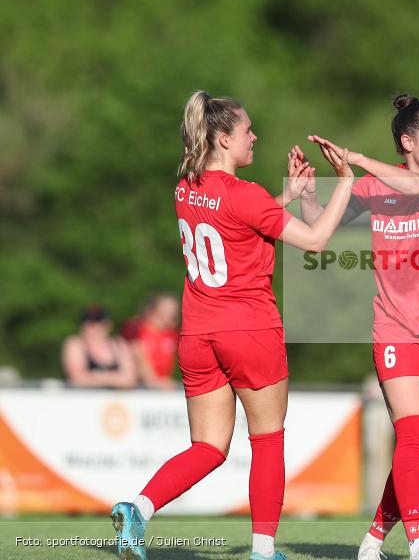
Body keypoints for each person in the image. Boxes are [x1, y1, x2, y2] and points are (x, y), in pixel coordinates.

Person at [110, 90, 353, 560]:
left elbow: (236, 223)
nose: (254, 136)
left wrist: (287, 195)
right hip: (249, 329)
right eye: (246, 130)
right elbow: (317, 241)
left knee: (207, 446)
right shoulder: (245, 194)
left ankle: (139, 507)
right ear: (224, 138)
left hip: (199, 335)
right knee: (267, 440)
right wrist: (344, 181)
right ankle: (264, 552)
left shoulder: (186, 187)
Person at [304, 94, 419, 560]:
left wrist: (359, 159)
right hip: (397, 327)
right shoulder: (369, 191)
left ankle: (374, 540)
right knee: (413, 434)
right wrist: (308, 196)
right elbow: (317, 235)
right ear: (407, 141)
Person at [62, 305, 138, 389]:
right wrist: (115, 378)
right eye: (89, 323)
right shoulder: (75, 344)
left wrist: (94, 376)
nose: (92, 328)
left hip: (116, 400)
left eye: (97, 323)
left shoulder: (119, 345)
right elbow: (77, 378)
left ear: (108, 325)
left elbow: (130, 379)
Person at [125, 293, 180, 389]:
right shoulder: (137, 327)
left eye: (173, 309)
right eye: (167, 309)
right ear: (154, 309)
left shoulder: (173, 334)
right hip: (140, 386)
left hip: (163, 385)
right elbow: (138, 355)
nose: (171, 313)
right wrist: (153, 380)